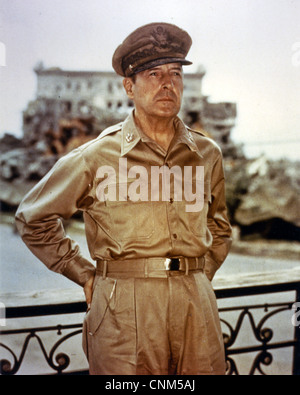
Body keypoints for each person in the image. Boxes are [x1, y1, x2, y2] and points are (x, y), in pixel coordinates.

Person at [15, 22, 232, 375]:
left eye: (175, 73)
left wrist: (199, 277)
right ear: (129, 86)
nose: (167, 83)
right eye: (153, 73)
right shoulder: (96, 156)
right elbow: (32, 218)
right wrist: (84, 274)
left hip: (197, 308)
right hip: (124, 312)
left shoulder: (207, 153)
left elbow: (219, 226)